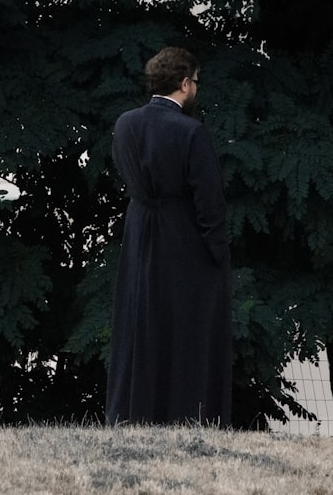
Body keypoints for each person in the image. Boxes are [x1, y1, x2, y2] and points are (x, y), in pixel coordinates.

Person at [105, 46, 233, 426]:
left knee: (140, 320)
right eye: (196, 82)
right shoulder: (190, 131)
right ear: (184, 83)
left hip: (139, 230)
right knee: (186, 325)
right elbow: (209, 202)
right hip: (183, 237)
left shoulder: (125, 123)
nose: (196, 89)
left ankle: (133, 414)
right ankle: (186, 413)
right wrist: (217, 254)